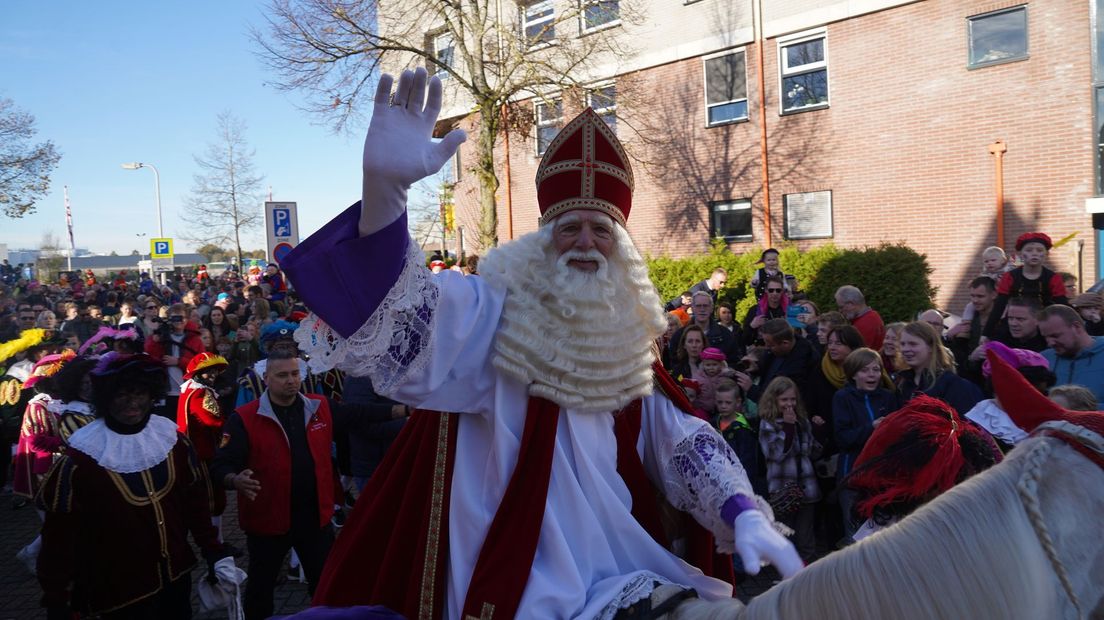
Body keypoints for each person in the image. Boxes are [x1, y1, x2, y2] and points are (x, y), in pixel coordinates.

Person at [281, 69, 800, 618]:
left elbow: (675, 437)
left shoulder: (627, 339)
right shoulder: (492, 314)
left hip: (614, 559)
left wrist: (740, 507)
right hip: (519, 571)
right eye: (569, 227)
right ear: (541, 239)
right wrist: (383, 192)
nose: (585, 242)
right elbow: (402, 316)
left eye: (602, 230)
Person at [209, 347, 403, 620]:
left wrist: (404, 409)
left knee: (325, 589)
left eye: (295, 374)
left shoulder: (319, 406)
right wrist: (234, 479)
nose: (291, 380)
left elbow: (361, 413)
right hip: (268, 522)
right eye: (282, 375)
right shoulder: (244, 418)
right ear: (267, 378)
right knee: (261, 590)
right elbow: (220, 465)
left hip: (315, 519)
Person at [36, 353, 230, 619]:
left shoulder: (171, 440)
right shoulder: (81, 458)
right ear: (105, 399)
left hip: (176, 579)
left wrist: (212, 549)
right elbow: (59, 538)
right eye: (121, 395)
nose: (132, 403)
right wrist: (57, 598)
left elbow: (192, 502)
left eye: (139, 393)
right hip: (118, 592)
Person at [832, 348, 896, 541]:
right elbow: (843, 438)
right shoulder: (843, 398)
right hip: (853, 475)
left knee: (885, 532)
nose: (871, 375)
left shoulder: (888, 397)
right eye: (864, 370)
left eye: (875, 370)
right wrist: (872, 427)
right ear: (853, 374)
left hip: (882, 478)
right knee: (855, 534)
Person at [757, 376, 821, 563]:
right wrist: (788, 427)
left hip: (806, 486)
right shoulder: (767, 423)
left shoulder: (802, 420)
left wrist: (817, 431)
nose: (789, 404)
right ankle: (787, 574)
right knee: (786, 534)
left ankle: (808, 575)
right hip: (783, 489)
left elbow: (810, 451)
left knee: (805, 536)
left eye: (792, 399)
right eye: (784, 400)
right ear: (774, 400)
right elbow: (775, 453)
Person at [962, 341, 1055, 452]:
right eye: (1029, 391)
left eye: (1041, 393)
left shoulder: (1046, 423)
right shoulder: (979, 418)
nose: (1037, 398)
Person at [983, 232, 1069, 339]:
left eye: (1039, 250)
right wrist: (986, 334)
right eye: (1029, 250)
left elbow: (1063, 306)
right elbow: (999, 307)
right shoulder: (1009, 277)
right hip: (1014, 324)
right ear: (1021, 254)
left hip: (1043, 326)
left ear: (1047, 254)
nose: (1034, 254)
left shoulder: (1053, 278)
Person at [897, 321, 983, 415]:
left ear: (930, 347)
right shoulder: (902, 383)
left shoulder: (952, 384)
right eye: (902, 344)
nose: (905, 349)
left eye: (913, 344)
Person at [144, 303, 205, 419]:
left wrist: (179, 361)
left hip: (188, 392)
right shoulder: (163, 336)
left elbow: (202, 365)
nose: (178, 321)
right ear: (169, 319)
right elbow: (151, 357)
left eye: (181, 317)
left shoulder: (195, 339)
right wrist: (154, 340)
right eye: (174, 318)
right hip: (166, 393)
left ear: (187, 319)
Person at [1038, 303, 1104, 402]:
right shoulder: (1043, 360)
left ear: (1076, 327)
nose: (1050, 343)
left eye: (1055, 336)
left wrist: (1082, 410)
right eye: (1045, 337)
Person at [741, 275, 789, 347]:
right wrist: (752, 326)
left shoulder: (790, 310)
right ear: (766, 290)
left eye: (778, 290)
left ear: (782, 291)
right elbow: (744, 340)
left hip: (784, 349)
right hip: (763, 350)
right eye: (771, 290)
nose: (774, 293)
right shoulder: (755, 310)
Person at [835, 285, 885, 352]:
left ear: (851, 304)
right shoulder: (873, 316)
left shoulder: (865, 323)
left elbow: (857, 354)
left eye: (841, 307)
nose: (840, 311)